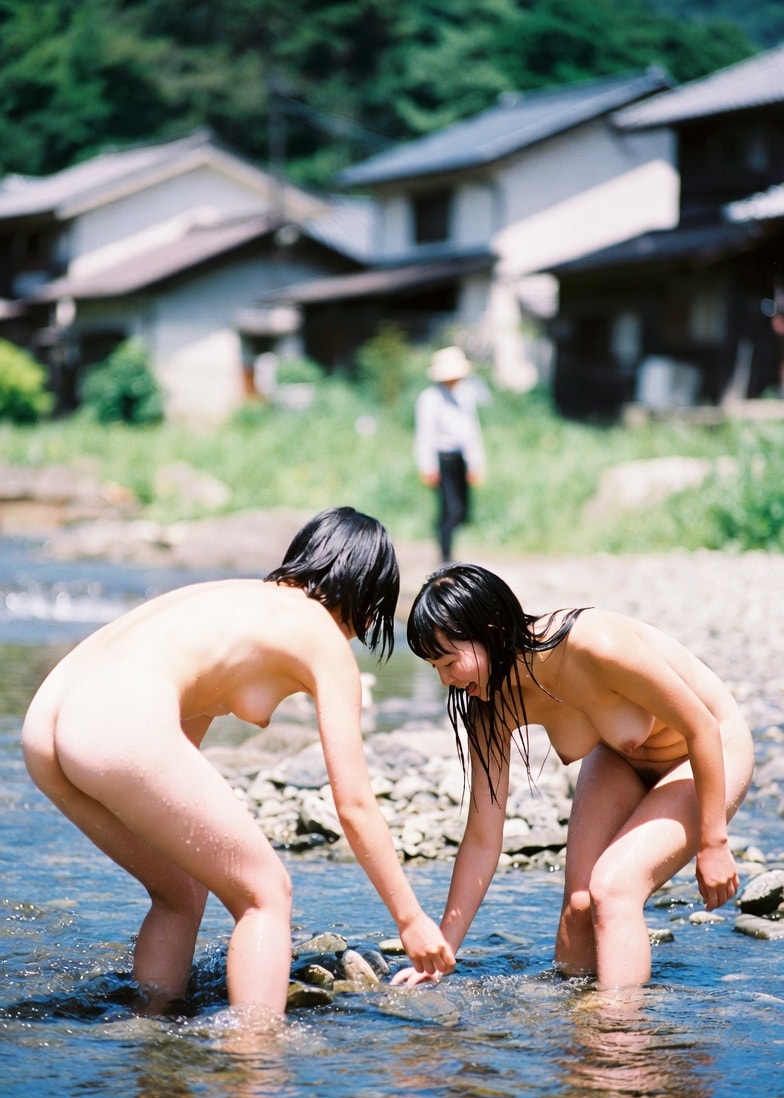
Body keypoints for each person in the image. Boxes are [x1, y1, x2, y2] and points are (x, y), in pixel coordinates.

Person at [22, 507, 455, 1017]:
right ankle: (254, 1065)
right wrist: (410, 919)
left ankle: (150, 1032)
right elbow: (355, 803)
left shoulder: (235, 602)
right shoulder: (319, 632)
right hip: (116, 724)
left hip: (46, 724)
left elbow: (180, 735)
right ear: (369, 595)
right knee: (266, 893)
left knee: (180, 891)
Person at [393, 563, 753, 991]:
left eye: (449, 661)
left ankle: (618, 1040)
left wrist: (713, 844)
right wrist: (441, 952)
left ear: (490, 629)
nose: (446, 680)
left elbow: (702, 727)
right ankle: (579, 1034)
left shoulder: (594, 644)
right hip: (621, 757)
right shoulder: (486, 705)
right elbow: (483, 839)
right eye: (436, 667)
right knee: (578, 911)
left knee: (613, 888)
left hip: (709, 751)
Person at [414, 346, 486, 563]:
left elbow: (471, 432)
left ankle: (446, 545)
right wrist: (427, 466)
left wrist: (476, 464)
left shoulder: (465, 395)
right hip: (442, 460)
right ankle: (445, 554)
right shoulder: (430, 398)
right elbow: (424, 434)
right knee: (450, 509)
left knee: (462, 511)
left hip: (460, 459)